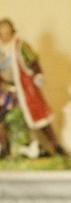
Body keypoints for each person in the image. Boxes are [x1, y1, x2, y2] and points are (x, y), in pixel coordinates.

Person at [0, 18, 67, 158]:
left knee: (38, 117)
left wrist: (37, 75)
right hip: (6, 90)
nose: (4, 33)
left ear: (12, 30)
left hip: (24, 89)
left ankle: (55, 146)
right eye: (1, 31)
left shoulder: (20, 46)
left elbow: (33, 62)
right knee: (3, 118)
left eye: (6, 30)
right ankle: (4, 148)